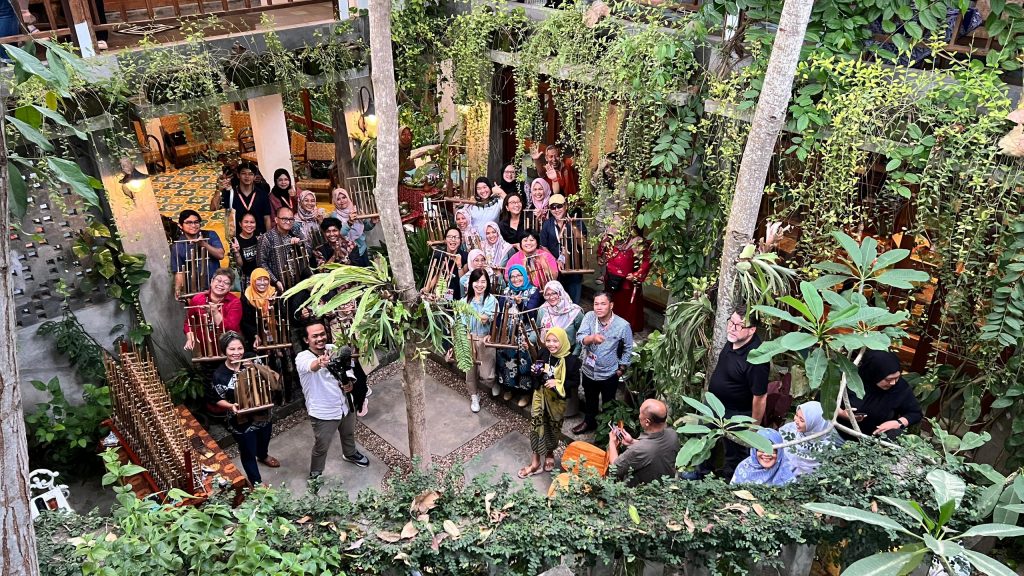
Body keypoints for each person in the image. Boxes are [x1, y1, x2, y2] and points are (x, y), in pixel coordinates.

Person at [296, 321, 370, 479]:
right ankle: (316, 472)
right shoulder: (302, 357)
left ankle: (350, 454)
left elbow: (349, 370)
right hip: (323, 411)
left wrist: (350, 383)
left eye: (322, 334)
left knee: (349, 433)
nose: (320, 338)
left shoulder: (335, 349)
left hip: (345, 404)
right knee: (321, 446)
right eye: (314, 336)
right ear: (306, 340)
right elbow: (310, 366)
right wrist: (320, 362)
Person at [207, 331, 279, 486]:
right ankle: (257, 484)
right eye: (231, 349)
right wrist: (230, 406)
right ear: (224, 351)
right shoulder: (220, 375)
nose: (236, 353)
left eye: (239, 348)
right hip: (241, 420)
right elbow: (217, 399)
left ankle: (263, 455)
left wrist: (255, 366)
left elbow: (270, 377)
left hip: (263, 412)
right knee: (247, 451)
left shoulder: (252, 357)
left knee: (264, 438)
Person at [706, 305, 770, 479]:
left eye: (739, 325)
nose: (732, 328)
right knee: (704, 443)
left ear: (752, 330)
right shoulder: (734, 338)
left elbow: (760, 396)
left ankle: (729, 488)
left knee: (734, 457)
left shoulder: (757, 358)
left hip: (737, 415)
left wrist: (753, 427)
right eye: (731, 322)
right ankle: (700, 478)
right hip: (716, 409)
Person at [518, 327, 579, 478]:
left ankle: (550, 453)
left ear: (563, 341)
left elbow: (575, 382)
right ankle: (535, 462)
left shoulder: (571, 361)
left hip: (557, 401)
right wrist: (535, 371)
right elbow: (537, 372)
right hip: (540, 395)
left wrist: (558, 383)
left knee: (553, 428)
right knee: (536, 426)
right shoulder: (544, 353)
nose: (551, 344)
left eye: (555, 341)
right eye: (548, 340)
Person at [573, 292, 633, 434]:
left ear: (611, 305)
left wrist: (622, 368)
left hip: (609, 373)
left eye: (603, 304)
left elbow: (628, 348)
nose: (598, 308)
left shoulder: (622, 325)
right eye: (596, 304)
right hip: (589, 370)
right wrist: (592, 338)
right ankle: (589, 422)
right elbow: (579, 337)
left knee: (608, 403)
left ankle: (607, 431)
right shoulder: (589, 317)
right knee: (590, 399)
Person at [839, 350, 923, 440]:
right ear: (875, 374)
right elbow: (824, 403)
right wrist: (841, 414)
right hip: (839, 434)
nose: (893, 383)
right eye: (888, 379)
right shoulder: (850, 380)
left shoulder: (900, 387)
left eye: (897, 378)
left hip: (876, 442)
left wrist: (898, 423)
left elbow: (915, 413)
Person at [496, 265, 543, 407]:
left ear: (524, 275)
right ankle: (509, 388)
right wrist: (500, 331)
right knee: (507, 361)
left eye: (519, 275)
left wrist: (521, 303)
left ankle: (525, 393)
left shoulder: (534, 291)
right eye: (512, 276)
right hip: (508, 333)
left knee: (524, 363)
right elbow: (500, 315)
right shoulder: (505, 291)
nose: (516, 279)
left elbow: (532, 315)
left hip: (525, 333)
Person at [607, 399, 680, 487]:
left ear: (647, 422)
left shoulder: (638, 450)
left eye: (640, 413)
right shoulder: (672, 434)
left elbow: (615, 469)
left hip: (643, 494)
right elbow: (655, 449)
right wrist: (632, 442)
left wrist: (612, 442)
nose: (639, 416)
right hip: (665, 486)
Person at [598, 225, 652, 332]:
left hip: (627, 282)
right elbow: (601, 250)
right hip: (611, 278)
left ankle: (626, 330)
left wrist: (637, 274)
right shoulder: (610, 238)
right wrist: (600, 257)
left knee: (627, 308)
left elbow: (647, 260)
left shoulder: (637, 242)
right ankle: (609, 325)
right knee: (611, 302)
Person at [540, 194, 587, 303]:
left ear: (566, 206)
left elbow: (583, 244)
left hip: (574, 269)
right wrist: (556, 261)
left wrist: (573, 226)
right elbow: (543, 246)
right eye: (553, 207)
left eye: (559, 206)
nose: (556, 210)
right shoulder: (547, 224)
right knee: (557, 302)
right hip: (555, 270)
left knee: (573, 303)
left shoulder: (577, 222)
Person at [462, 269, 498, 413]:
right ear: (471, 283)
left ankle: (493, 382)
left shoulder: (491, 300)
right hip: (468, 338)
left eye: (483, 281)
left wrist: (472, 313)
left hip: (485, 338)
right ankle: (474, 396)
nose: (479, 285)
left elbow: (486, 318)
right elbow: (462, 323)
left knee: (486, 374)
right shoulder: (464, 301)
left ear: (487, 283)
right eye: (476, 281)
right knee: (469, 371)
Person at [183, 268, 242, 353]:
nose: (221, 284)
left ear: (229, 288)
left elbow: (231, 329)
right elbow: (188, 323)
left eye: (226, 283)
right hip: (203, 350)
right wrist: (190, 336)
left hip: (228, 351)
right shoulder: (197, 299)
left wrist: (215, 313)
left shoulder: (235, 302)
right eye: (218, 280)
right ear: (211, 282)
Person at [171, 209, 225, 300]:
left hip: (216, 287)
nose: (193, 225)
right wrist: (177, 289)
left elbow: (220, 255)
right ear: (180, 225)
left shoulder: (210, 235)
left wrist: (204, 244)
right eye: (188, 223)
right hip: (193, 291)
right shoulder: (177, 246)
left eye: (196, 222)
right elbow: (179, 272)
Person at [779, 401, 840, 477]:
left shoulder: (825, 449)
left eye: (802, 420)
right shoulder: (789, 429)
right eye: (796, 415)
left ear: (814, 423)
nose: (796, 420)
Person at [212, 161, 273, 236]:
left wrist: (269, 237)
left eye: (250, 174)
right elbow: (213, 208)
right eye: (243, 173)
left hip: (259, 236)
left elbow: (266, 218)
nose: (247, 176)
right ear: (238, 175)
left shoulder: (262, 194)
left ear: (254, 177)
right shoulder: (230, 193)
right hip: (238, 238)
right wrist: (218, 190)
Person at [258, 206, 309, 292]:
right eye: (284, 219)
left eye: (291, 219)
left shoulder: (296, 234)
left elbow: (308, 254)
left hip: (298, 285)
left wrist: (300, 245)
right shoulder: (266, 238)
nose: (288, 222)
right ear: (276, 220)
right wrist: (275, 281)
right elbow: (261, 263)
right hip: (276, 286)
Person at [730, 429, 796, 486]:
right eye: (761, 449)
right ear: (754, 450)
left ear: (780, 452)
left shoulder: (787, 469)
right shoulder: (744, 467)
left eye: (772, 450)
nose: (766, 454)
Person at [535, 280, 583, 355]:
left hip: (568, 353)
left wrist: (575, 355)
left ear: (560, 293)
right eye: (547, 294)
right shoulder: (543, 310)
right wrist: (527, 341)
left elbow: (582, 335)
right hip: (548, 352)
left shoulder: (575, 312)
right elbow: (537, 330)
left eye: (554, 293)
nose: (551, 297)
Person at [330, 188, 373, 266]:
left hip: (362, 249)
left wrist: (373, 222)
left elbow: (365, 227)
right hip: (347, 252)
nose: (342, 201)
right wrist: (349, 222)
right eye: (338, 199)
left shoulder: (355, 210)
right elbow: (339, 234)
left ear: (348, 197)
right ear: (335, 201)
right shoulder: (334, 216)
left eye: (344, 197)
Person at [421, 227, 464, 300]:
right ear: (445, 240)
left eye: (456, 237)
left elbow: (464, 280)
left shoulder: (465, 256)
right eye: (450, 237)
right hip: (439, 295)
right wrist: (428, 288)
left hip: (459, 296)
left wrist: (459, 265)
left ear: (460, 240)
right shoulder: (438, 255)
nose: (453, 240)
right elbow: (435, 274)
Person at [240, 267, 276, 350]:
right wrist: (255, 335)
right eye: (259, 279)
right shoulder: (246, 296)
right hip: (254, 335)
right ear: (253, 280)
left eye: (265, 279)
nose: (262, 283)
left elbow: (282, 315)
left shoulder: (274, 293)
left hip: (275, 333)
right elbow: (245, 321)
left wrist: (273, 305)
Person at [230, 213, 260, 291]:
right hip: (246, 277)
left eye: (252, 222)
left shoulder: (259, 236)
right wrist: (236, 252)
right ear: (240, 224)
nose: (249, 225)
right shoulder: (236, 241)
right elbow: (240, 265)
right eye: (246, 222)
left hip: (261, 274)